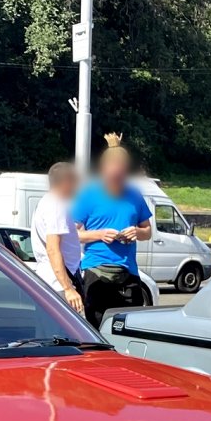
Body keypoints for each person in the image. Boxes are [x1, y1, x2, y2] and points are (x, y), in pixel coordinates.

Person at [70, 133, 154, 326]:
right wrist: (100, 234)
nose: (117, 180)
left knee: (128, 327)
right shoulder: (89, 194)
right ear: (103, 170)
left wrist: (136, 232)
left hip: (128, 272)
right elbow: (72, 234)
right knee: (97, 328)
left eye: (121, 175)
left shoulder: (134, 194)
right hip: (96, 271)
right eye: (113, 175)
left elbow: (147, 231)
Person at [30, 161, 84, 314]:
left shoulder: (46, 202)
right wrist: (68, 288)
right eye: (75, 182)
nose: (77, 187)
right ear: (67, 182)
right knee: (71, 328)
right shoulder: (56, 205)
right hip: (59, 284)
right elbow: (53, 249)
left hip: (51, 280)